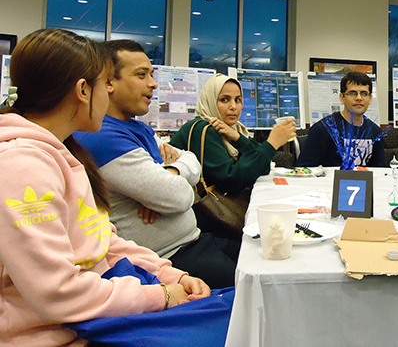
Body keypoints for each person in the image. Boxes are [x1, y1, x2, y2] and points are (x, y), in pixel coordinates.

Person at [0, 29, 209, 347]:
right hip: (58, 335)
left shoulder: (64, 153)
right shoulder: (22, 166)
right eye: (105, 84)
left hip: (97, 318)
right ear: (83, 90)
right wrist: (161, 295)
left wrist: (169, 275)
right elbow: (57, 293)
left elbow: (102, 241)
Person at [75, 40, 239, 289]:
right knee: (256, 288)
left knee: (262, 258)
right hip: (165, 260)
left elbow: (191, 161)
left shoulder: (138, 128)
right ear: (109, 82)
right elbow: (178, 198)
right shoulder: (101, 136)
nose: (152, 84)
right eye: (141, 75)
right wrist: (171, 186)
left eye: (151, 75)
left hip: (193, 241)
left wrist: (171, 171)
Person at [169, 74, 296, 233]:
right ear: (210, 100)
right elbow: (231, 179)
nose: (233, 106)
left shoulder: (230, 129)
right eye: (224, 100)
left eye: (238, 100)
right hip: (202, 226)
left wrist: (237, 138)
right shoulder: (203, 129)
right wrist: (272, 143)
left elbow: (261, 165)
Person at [296, 71, 386, 168]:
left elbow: (381, 170)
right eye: (353, 93)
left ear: (370, 99)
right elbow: (304, 169)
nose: (359, 98)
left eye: (364, 93)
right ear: (342, 98)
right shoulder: (323, 129)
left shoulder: (375, 131)